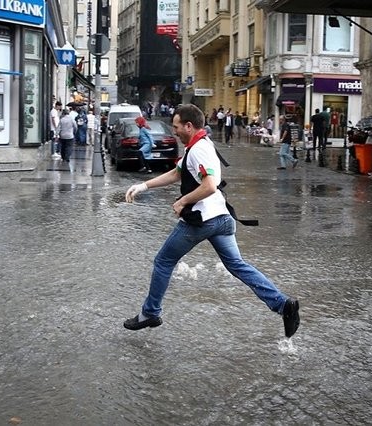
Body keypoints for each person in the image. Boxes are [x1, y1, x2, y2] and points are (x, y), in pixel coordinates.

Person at [123, 103, 300, 338]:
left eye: (176, 127)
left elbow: (210, 185)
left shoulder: (199, 150)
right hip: (222, 218)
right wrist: (144, 185)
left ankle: (150, 313)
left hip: (202, 220)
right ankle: (283, 305)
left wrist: (183, 201)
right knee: (237, 265)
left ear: (189, 125)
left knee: (163, 261)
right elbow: (177, 173)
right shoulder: (198, 145)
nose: (174, 131)